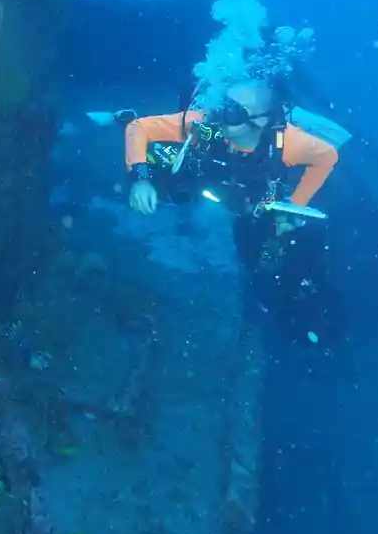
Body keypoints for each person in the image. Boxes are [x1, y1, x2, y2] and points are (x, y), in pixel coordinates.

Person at [120, 77, 347, 344]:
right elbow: (139, 128)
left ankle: (296, 313)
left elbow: (327, 156)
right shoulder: (203, 124)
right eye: (223, 104)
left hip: (247, 195)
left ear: (260, 121)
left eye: (234, 110)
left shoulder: (288, 142)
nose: (220, 113)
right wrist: (141, 179)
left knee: (267, 245)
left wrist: (295, 205)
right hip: (215, 180)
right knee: (174, 183)